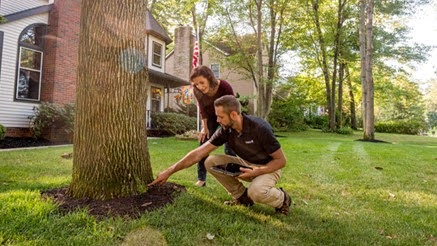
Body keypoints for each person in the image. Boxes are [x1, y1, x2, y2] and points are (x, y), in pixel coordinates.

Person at [148, 95, 292, 215]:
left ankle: (282, 200)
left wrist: (258, 171)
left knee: (256, 191)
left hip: (269, 167)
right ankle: (242, 198)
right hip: (246, 164)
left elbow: (281, 161)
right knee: (210, 161)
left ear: (234, 115)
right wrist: (169, 171)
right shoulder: (225, 130)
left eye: (220, 116)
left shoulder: (260, 128)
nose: (217, 120)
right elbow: (199, 153)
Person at [190, 65, 235, 187]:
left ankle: (233, 175)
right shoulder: (197, 90)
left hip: (227, 117)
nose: (199, 86)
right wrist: (205, 127)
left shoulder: (224, 86)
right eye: (196, 84)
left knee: (230, 147)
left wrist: (229, 124)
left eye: (201, 82)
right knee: (203, 143)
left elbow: (233, 106)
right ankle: (201, 179)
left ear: (209, 78)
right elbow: (202, 109)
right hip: (210, 117)